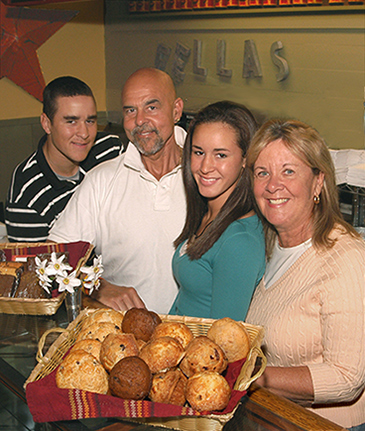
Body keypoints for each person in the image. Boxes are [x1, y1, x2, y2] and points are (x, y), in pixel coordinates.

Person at [245, 119, 365, 430]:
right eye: (262, 173)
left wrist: (251, 376)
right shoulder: (271, 243)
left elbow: (347, 376)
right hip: (276, 418)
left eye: (288, 171)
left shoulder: (346, 257)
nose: (273, 185)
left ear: (317, 182)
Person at [48, 68, 186, 314]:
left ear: (176, 110)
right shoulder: (101, 181)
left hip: (199, 339)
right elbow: (54, 260)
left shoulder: (208, 175)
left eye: (151, 107)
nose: (140, 120)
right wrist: (97, 287)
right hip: (120, 342)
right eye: (130, 110)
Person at [169, 101, 265, 320]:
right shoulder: (209, 214)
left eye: (220, 155)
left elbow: (224, 342)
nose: (205, 167)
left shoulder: (240, 241)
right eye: (199, 152)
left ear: (245, 159)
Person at [5, 76, 124, 243]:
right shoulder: (26, 192)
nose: (84, 133)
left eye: (90, 121)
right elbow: (36, 265)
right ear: (46, 124)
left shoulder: (110, 149)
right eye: (71, 121)